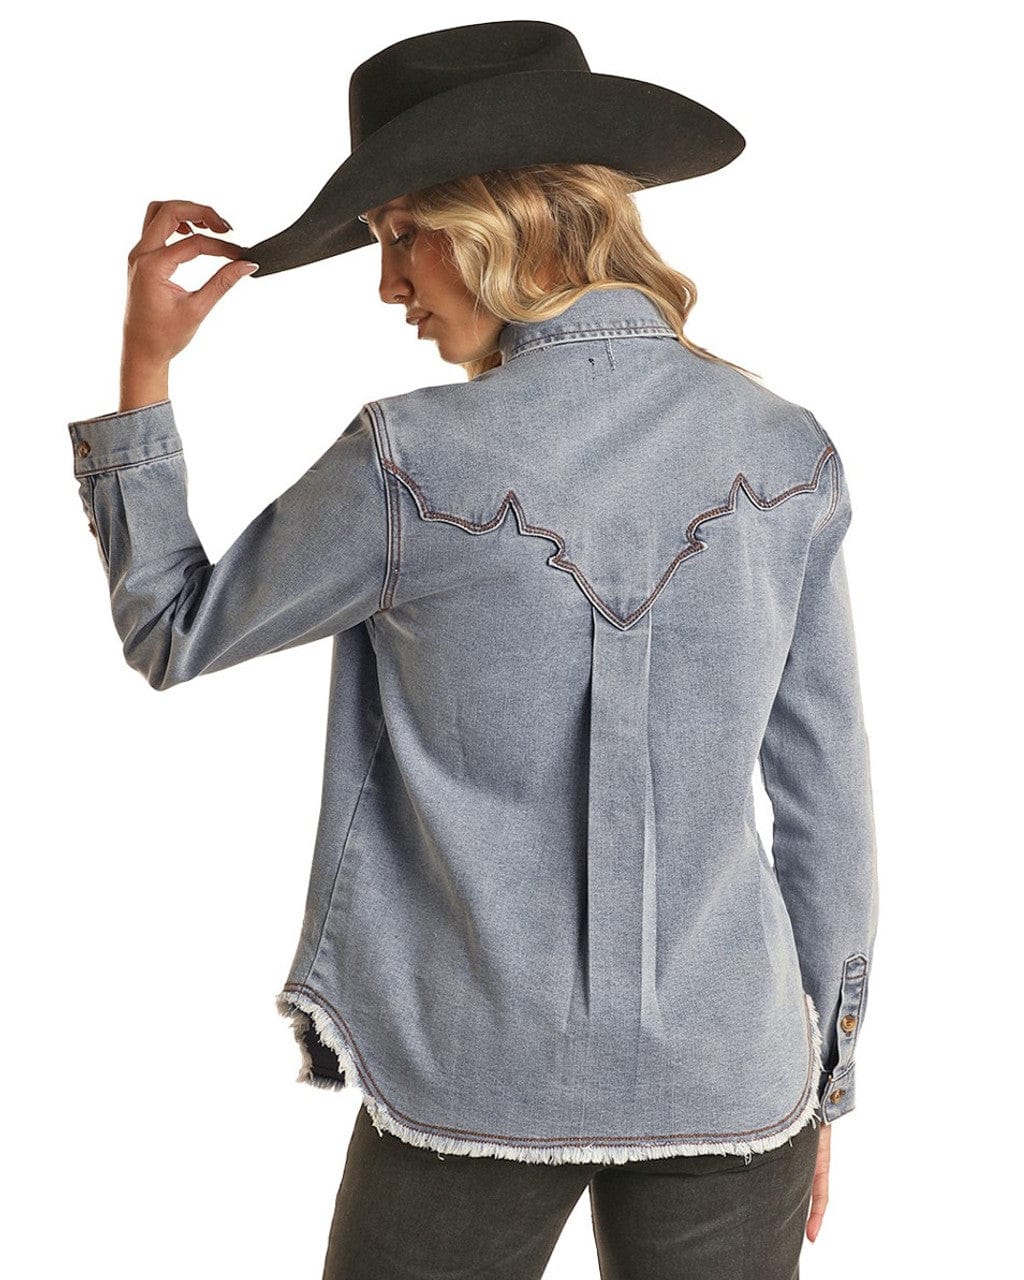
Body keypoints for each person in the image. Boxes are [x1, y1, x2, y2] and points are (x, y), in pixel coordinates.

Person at [67, 20, 879, 1280]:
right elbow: (826, 798)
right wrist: (820, 1082)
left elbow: (174, 628)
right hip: (736, 1076)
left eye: (403, 234)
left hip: (473, 1076)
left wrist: (144, 365)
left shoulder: (409, 460)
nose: (388, 285)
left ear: (503, 215)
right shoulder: (788, 450)